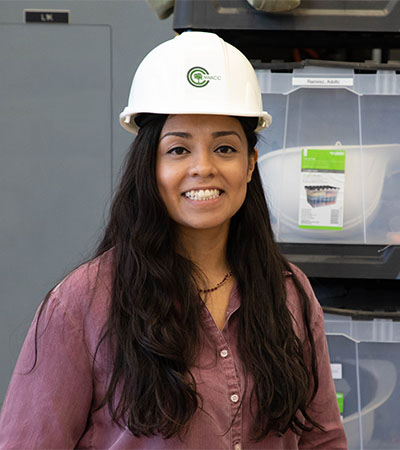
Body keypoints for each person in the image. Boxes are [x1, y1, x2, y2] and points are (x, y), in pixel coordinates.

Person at [0, 31, 347, 449]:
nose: (203, 168)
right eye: (178, 150)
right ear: (150, 165)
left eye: (224, 148)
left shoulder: (289, 293)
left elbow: (322, 440)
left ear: (251, 164)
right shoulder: (81, 306)